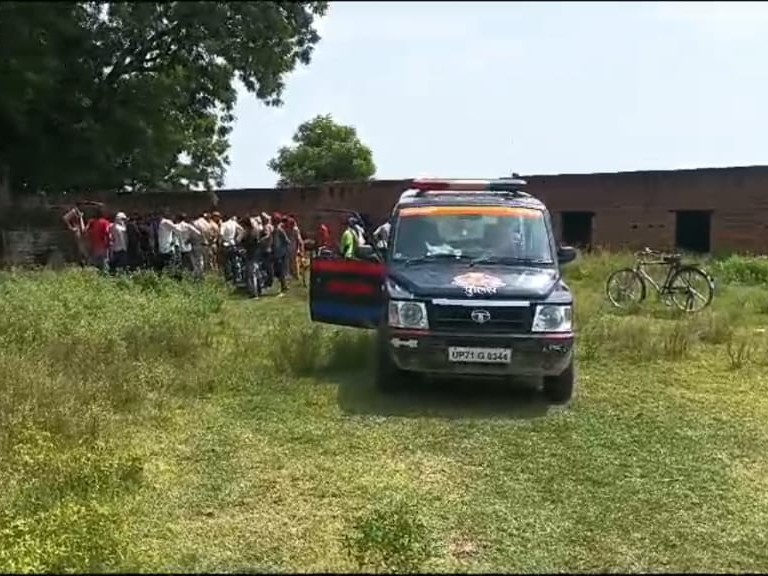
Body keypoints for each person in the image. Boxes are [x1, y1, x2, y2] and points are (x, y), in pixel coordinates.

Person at [241, 217, 263, 299]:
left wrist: (244, 247)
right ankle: (259, 290)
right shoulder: (255, 231)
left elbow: (248, 244)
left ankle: (254, 293)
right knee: (257, 273)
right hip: (256, 254)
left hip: (251, 255)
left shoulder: (250, 233)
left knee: (252, 274)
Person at [85, 208, 111, 273]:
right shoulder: (105, 222)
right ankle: (105, 275)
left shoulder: (94, 223)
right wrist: (108, 243)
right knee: (104, 262)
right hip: (103, 245)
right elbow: (107, 233)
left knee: (96, 263)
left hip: (95, 246)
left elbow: (87, 232)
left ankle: (96, 275)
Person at [219, 215, 244, 280]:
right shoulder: (234, 223)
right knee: (234, 260)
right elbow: (242, 230)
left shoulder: (223, 224)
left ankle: (228, 276)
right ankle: (236, 276)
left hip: (226, 244)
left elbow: (221, 234)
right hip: (233, 243)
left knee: (226, 261)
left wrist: (220, 243)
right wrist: (238, 239)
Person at [272, 216, 291, 296]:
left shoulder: (280, 230)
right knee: (278, 270)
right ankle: (283, 285)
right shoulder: (274, 230)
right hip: (276, 253)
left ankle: (283, 286)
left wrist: (283, 250)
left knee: (281, 270)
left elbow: (287, 241)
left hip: (281, 253)